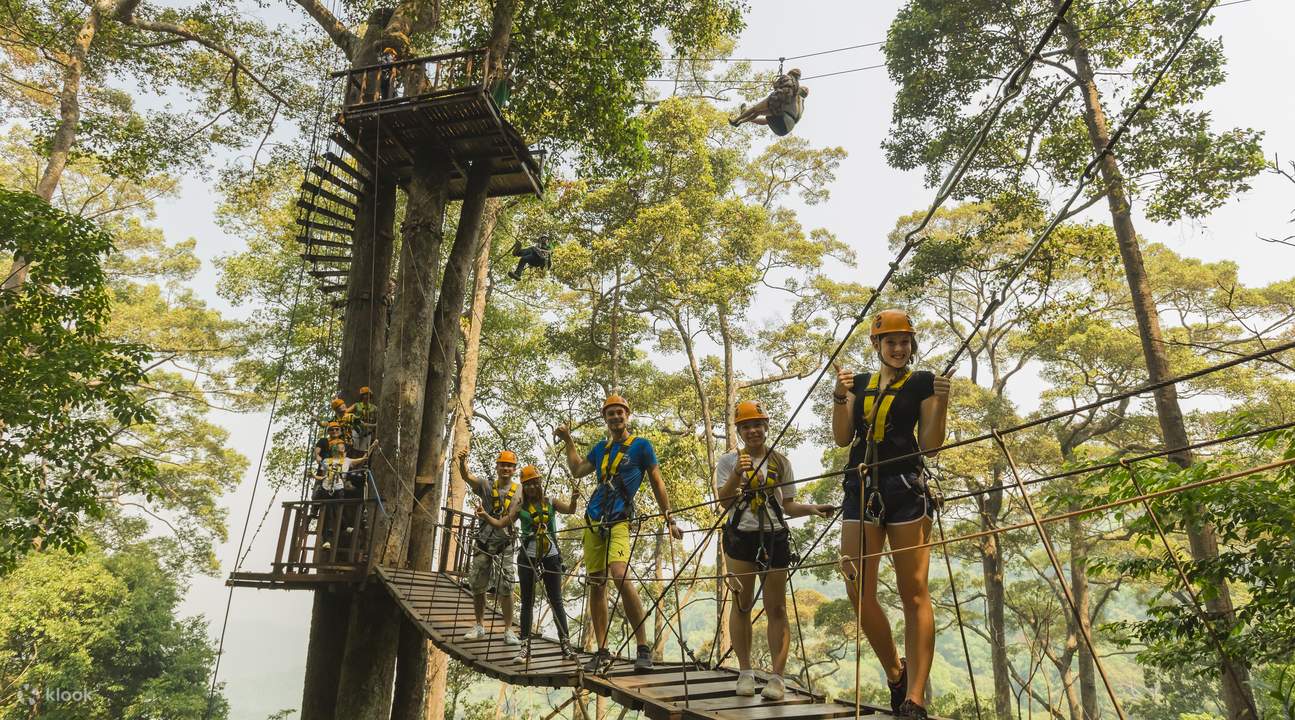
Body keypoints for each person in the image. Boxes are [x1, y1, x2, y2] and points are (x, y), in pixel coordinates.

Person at [830, 310, 951, 719]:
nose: (899, 349)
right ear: (876, 345)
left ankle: (914, 698)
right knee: (855, 584)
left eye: (905, 342)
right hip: (860, 486)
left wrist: (942, 400)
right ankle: (896, 673)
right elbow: (843, 437)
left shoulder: (922, 383)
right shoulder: (860, 384)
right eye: (891, 342)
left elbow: (931, 445)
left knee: (913, 591)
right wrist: (839, 396)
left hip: (905, 489)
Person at [555, 394, 683, 673]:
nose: (615, 417)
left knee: (620, 575)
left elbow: (657, 482)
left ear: (628, 415)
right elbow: (577, 470)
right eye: (610, 413)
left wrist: (669, 517)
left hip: (619, 520)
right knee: (596, 583)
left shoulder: (641, 447)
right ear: (605, 418)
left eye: (620, 412)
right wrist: (568, 441)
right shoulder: (601, 448)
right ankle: (601, 651)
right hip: (593, 521)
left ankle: (643, 648)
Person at [718, 401, 834, 700]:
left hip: (773, 537)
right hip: (741, 537)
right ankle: (745, 672)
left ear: (766, 427)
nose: (753, 430)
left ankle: (777, 679)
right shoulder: (729, 462)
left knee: (777, 608)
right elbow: (724, 502)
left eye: (757, 425)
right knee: (742, 604)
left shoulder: (780, 462)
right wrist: (737, 476)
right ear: (739, 431)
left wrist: (813, 508)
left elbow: (788, 506)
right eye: (746, 426)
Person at [478, 464, 579, 663]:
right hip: (528, 556)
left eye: (534, 483)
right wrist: (486, 516)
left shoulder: (550, 502)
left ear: (540, 483)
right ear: (524, 486)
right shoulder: (520, 506)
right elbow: (501, 523)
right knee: (527, 602)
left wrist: (574, 499)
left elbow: (570, 510)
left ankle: (566, 645)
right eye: (528, 484)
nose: (532, 487)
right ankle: (525, 648)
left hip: (550, 555)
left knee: (556, 600)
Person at [460, 448, 521, 644]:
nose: (506, 468)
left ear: (514, 469)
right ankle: (479, 625)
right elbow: (467, 477)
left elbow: (515, 513)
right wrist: (463, 463)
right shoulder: (486, 485)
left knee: (506, 587)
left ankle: (508, 630)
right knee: (478, 585)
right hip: (484, 541)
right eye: (502, 464)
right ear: (497, 466)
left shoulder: (519, 490)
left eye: (509, 466)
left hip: (505, 544)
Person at [312, 438, 377, 551]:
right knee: (328, 514)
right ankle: (327, 540)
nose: (343, 447)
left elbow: (364, 458)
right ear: (335, 448)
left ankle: (345, 526)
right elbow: (320, 465)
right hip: (327, 488)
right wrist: (316, 454)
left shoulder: (347, 460)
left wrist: (372, 446)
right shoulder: (327, 461)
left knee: (338, 509)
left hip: (338, 488)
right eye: (341, 445)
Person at [728, 68, 809, 136]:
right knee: (762, 115)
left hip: (783, 119)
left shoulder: (795, 92)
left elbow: (783, 87)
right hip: (785, 128)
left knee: (755, 109)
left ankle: (738, 119)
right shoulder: (802, 106)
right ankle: (742, 120)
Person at [347, 386, 377, 452]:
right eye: (365, 395)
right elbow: (346, 412)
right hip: (357, 429)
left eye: (368, 395)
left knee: (363, 451)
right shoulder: (357, 405)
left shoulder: (374, 407)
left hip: (367, 431)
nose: (366, 397)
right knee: (354, 448)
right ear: (362, 396)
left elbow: (378, 419)